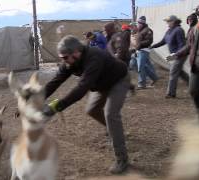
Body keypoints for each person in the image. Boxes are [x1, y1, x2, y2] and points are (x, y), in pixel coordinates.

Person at [42, 35, 130, 174]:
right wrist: (38, 98)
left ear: (76, 52)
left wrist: (57, 106)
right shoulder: (71, 61)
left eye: (65, 57)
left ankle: (122, 159)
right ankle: (113, 130)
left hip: (118, 81)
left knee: (110, 114)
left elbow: (82, 88)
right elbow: (56, 81)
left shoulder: (94, 56)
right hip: (100, 84)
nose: (63, 61)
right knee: (91, 110)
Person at [168, 3, 199, 118]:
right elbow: (188, 46)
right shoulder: (194, 30)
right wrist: (175, 55)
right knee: (193, 90)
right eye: (198, 15)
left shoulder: (180, 30)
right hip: (196, 66)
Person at [151, 15, 186, 98]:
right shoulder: (169, 31)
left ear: (173, 21)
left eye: (168, 21)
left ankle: (170, 93)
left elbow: (182, 45)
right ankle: (193, 83)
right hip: (173, 55)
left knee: (173, 72)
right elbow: (163, 41)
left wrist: (176, 55)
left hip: (180, 54)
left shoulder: (179, 30)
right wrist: (153, 46)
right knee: (179, 72)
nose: (167, 23)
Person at [134, 16, 159, 89]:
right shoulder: (140, 31)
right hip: (139, 50)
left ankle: (141, 84)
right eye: (137, 23)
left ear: (142, 23)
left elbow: (149, 41)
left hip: (144, 50)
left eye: (139, 23)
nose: (137, 24)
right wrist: (137, 48)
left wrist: (140, 44)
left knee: (141, 67)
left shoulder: (148, 30)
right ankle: (154, 78)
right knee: (144, 66)